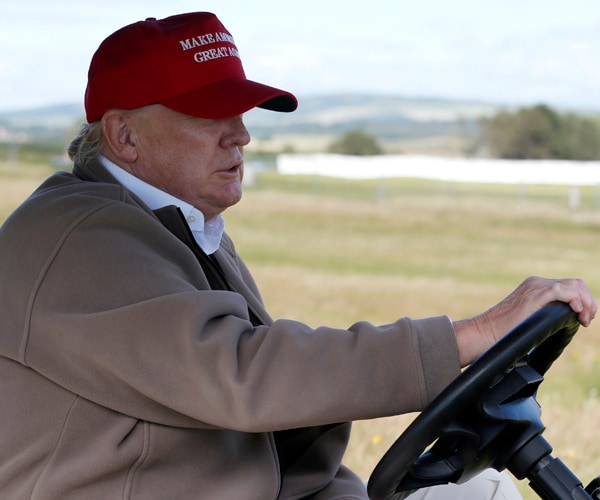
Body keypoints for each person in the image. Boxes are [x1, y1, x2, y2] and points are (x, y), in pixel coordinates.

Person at [0, 11, 595, 500]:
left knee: (480, 491)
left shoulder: (182, 228)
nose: (241, 134)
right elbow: (245, 376)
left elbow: (281, 438)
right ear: (124, 135)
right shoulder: (78, 237)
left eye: (239, 112)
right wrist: (475, 335)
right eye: (209, 115)